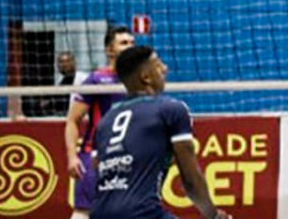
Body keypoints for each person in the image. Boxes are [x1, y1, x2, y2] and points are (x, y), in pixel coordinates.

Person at [90, 45, 229, 219]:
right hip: (143, 213)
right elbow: (190, 180)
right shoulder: (171, 109)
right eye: (158, 64)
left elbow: (97, 168)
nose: (165, 68)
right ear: (146, 77)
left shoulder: (106, 120)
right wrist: (213, 215)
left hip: (99, 213)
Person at [65, 26, 136, 219]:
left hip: (128, 157)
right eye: (124, 43)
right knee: (83, 212)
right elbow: (73, 120)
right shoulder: (96, 80)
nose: (130, 46)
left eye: (132, 42)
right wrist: (72, 156)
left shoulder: (138, 81)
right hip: (95, 154)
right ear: (109, 50)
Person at [25, 51, 89, 118]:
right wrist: (48, 103)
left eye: (67, 61)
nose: (64, 65)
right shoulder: (60, 80)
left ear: (74, 63)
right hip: (61, 116)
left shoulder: (83, 78)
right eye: (61, 62)